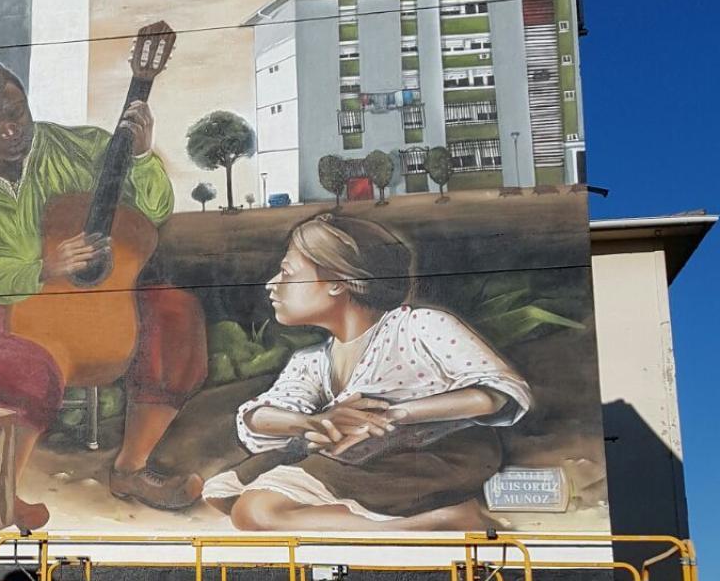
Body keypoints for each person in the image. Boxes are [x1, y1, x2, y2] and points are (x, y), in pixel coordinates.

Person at [0, 58, 207, 527]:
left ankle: (131, 468)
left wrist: (143, 157)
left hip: (77, 308)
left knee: (175, 313)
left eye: (17, 114)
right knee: (32, 369)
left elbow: (152, 210)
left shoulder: (76, 146)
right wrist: (38, 268)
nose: (9, 130)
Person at [203, 212, 531, 533]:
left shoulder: (417, 325)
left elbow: (496, 394)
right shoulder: (312, 359)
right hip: (363, 457)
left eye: (287, 273)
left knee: (253, 512)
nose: (271, 285)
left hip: (432, 455)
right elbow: (258, 415)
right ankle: (416, 519)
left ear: (336, 282)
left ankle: (436, 523)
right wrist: (314, 421)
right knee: (223, 496)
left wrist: (391, 416)